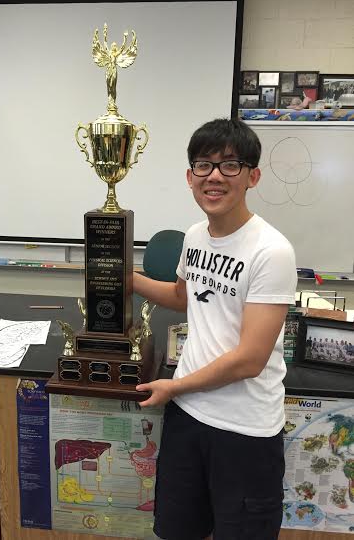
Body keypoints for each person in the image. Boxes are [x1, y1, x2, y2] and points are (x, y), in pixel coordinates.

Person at [133, 118, 297, 540]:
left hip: (244, 430)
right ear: (191, 177)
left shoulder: (271, 251)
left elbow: (249, 360)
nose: (215, 177)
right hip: (189, 418)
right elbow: (182, 296)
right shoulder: (195, 236)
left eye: (230, 166)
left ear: (252, 176)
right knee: (177, 531)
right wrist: (121, 275)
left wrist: (175, 387)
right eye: (203, 166)